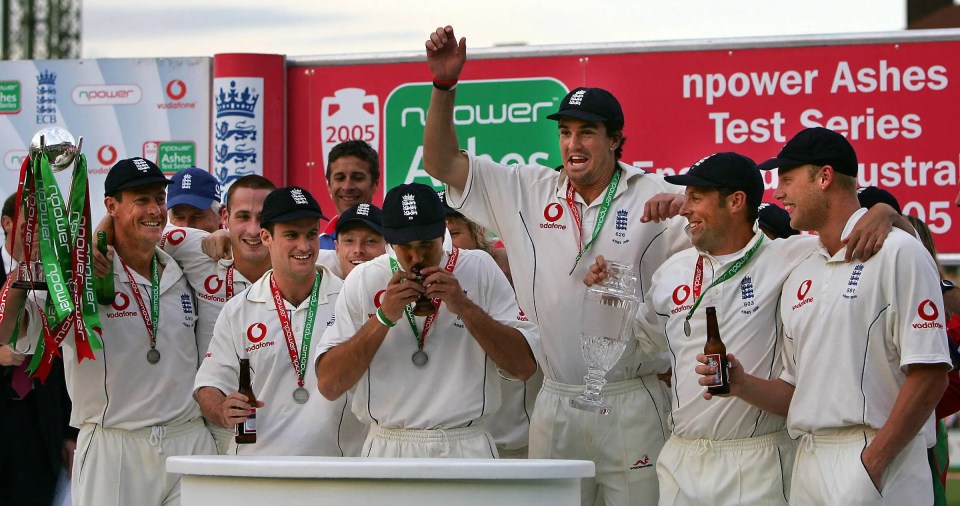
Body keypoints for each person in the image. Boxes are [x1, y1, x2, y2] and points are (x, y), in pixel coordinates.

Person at [697, 127, 951, 505]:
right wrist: (741, 384)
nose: (779, 192)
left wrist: (873, 462)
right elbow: (797, 393)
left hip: (879, 455)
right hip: (810, 459)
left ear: (825, 177)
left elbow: (930, 374)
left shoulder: (900, 252)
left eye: (787, 178)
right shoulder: (802, 267)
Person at [586, 152, 827, 505]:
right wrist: (608, 302)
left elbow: (865, 233)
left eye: (696, 198)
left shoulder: (789, 257)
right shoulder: (673, 271)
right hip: (682, 457)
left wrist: (882, 215)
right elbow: (642, 347)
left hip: (755, 460)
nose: (684, 209)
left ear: (735, 201)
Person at [0, 157, 216, 506]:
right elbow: (10, 332)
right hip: (113, 446)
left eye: (159, 199)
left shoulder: (181, 265)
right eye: (141, 200)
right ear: (111, 205)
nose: (154, 210)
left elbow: (217, 241)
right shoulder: (77, 276)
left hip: (187, 441)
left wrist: (219, 237)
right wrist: (27, 267)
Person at [316, 183, 538, 458]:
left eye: (426, 245)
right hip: (388, 446)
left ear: (442, 232)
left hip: (466, 445)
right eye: (406, 247)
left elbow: (524, 367)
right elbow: (329, 385)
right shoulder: (364, 278)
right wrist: (383, 318)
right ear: (390, 241)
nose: (417, 257)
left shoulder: (479, 267)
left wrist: (465, 307)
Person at [194, 186, 366, 456]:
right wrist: (223, 410)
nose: (305, 246)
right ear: (266, 237)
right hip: (259, 475)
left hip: (337, 472)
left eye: (311, 234)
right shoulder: (239, 309)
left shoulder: (350, 298)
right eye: (291, 235)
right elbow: (208, 385)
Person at [156, 174, 276, 453]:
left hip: (276, 429)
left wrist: (229, 232)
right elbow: (134, 229)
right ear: (227, 214)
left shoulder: (298, 263)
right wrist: (102, 243)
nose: (253, 228)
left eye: (196, 216)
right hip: (209, 428)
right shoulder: (192, 246)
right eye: (178, 215)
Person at [0, 193, 76, 506]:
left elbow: (73, 354)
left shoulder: (59, 277)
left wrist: (71, 431)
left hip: (41, 422)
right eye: (28, 223)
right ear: (7, 223)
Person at [319, 140, 380, 250]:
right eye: (340, 178)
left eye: (357, 178)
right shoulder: (317, 248)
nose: (347, 187)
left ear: (374, 184)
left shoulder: (395, 242)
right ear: (329, 185)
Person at [315, 203, 387, 279]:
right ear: (337, 248)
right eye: (349, 241)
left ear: (388, 248)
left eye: (370, 241)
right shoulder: (320, 286)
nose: (358, 250)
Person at [166, 167, 223, 233]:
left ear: (220, 214)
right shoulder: (159, 241)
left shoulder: (235, 242)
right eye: (179, 217)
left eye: (196, 217)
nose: (186, 226)